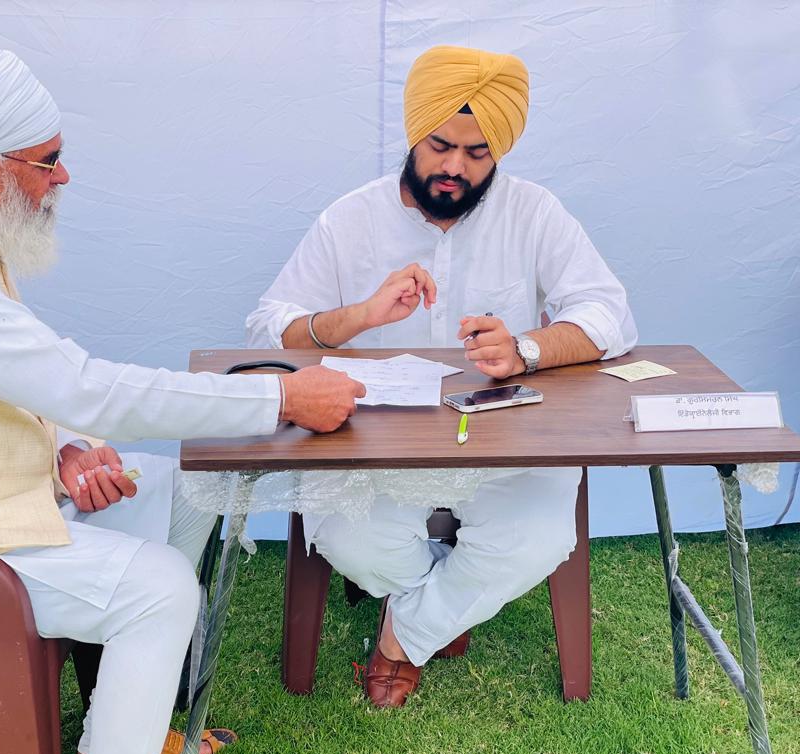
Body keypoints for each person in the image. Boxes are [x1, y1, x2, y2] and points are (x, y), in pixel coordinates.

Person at [0, 49, 364, 754]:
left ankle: (120, 733)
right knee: (160, 589)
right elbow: (85, 386)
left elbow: (11, 383)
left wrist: (66, 448)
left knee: (184, 488)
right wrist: (282, 396)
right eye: (48, 161)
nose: (64, 177)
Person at [246, 45, 637, 708]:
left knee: (539, 537)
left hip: (505, 445)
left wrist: (526, 349)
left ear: (499, 150)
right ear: (414, 135)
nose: (455, 167)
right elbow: (265, 330)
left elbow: (610, 315)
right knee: (351, 541)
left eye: (477, 153)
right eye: (440, 146)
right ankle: (446, 608)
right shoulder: (351, 218)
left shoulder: (534, 211)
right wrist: (360, 316)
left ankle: (402, 637)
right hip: (371, 447)